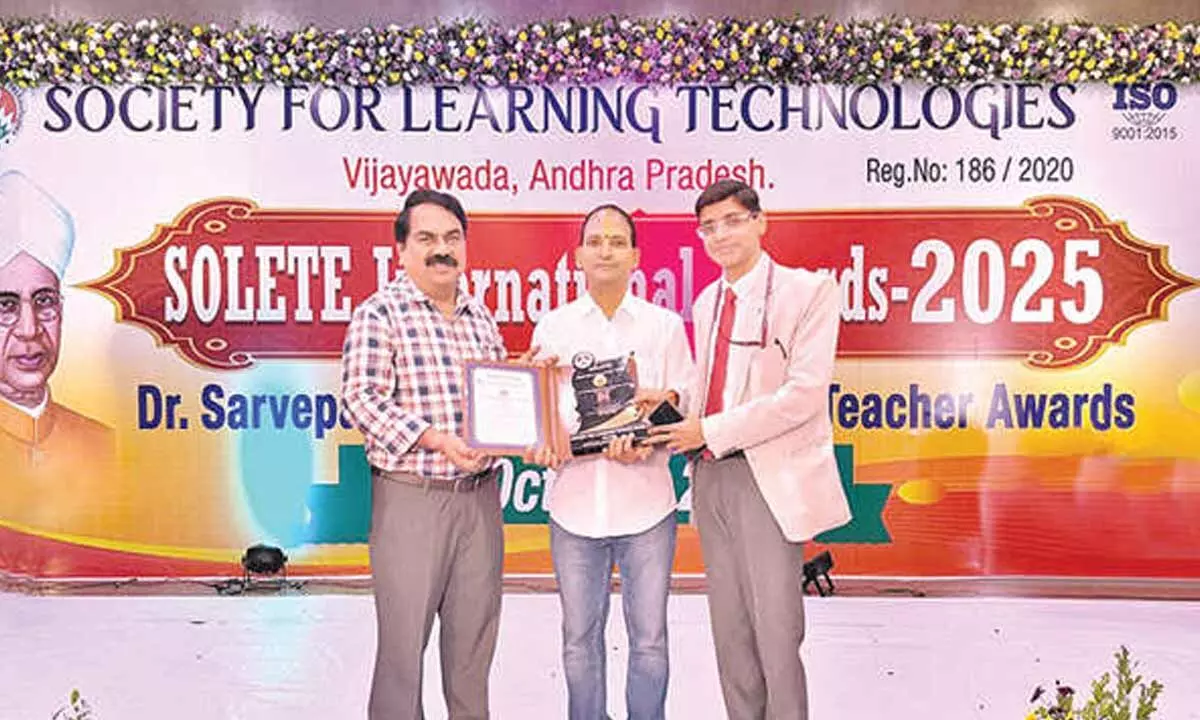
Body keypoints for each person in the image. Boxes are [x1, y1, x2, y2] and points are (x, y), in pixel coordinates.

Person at [648, 180, 852, 720]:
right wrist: (671, 402)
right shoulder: (707, 300)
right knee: (731, 631)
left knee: (776, 632)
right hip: (710, 475)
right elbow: (711, 386)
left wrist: (709, 430)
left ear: (761, 221)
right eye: (708, 227)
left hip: (768, 477)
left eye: (733, 220)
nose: (720, 235)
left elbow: (803, 397)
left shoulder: (807, 292)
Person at [341, 189, 528, 720]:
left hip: (480, 500)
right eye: (426, 238)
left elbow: (495, 398)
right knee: (403, 654)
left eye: (452, 238)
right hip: (412, 500)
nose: (441, 249)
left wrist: (527, 386)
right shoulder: (380, 314)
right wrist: (436, 439)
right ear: (401, 249)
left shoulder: (479, 316)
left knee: (473, 649)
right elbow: (360, 398)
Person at [528, 204, 695, 720]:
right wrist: (540, 436)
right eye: (595, 241)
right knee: (579, 643)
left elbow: (686, 406)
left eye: (617, 241)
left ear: (636, 257)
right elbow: (540, 416)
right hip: (573, 508)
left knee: (650, 643)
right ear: (578, 255)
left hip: (648, 507)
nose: (606, 250)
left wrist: (652, 429)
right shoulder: (552, 327)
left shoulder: (665, 327)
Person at [0, 169, 117, 535]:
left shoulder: (103, 445)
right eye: (6, 306)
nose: (29, 329)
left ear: (61, 311)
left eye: (44, 301)